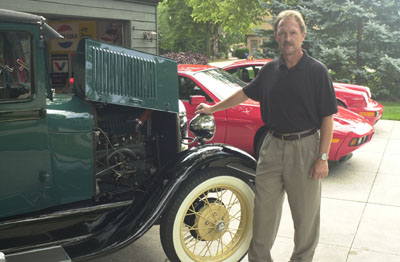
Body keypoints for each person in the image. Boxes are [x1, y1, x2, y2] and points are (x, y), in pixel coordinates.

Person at [195, 10, 337, 262]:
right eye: (282, 33)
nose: (287, 38)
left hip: (305, 149)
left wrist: (322, 157)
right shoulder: (269, 70)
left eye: (293, 32)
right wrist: (212, 108)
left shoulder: (317, 71)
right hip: (271, 147)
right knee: (263, 215)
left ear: (302, 35)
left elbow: (328, 117)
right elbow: (244, 93)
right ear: (276, 36)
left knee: (305, 218)